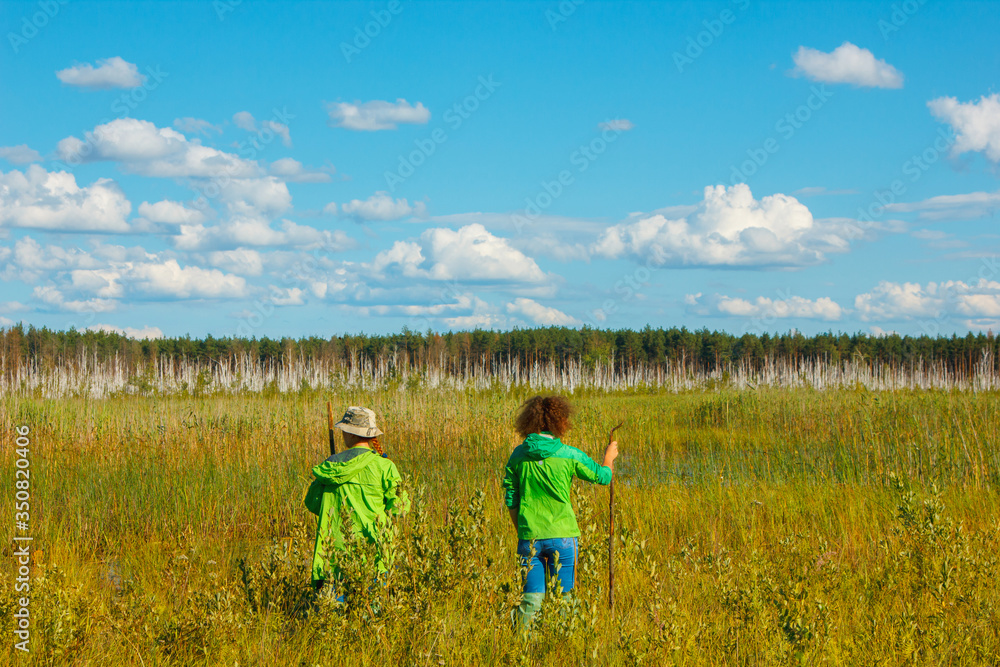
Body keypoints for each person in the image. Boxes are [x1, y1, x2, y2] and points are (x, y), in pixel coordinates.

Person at [502, 395, 619, 627]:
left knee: (531, 601)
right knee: (564, 600)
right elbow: (603, 477)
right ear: (560, 421)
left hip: (530, 539)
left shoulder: (518, 456)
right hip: (564, 538)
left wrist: (523, 531)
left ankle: (524, 648)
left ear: (530, 422)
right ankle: (563, 645)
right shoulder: (568, 454)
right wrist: (609, 458)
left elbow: (511, 499)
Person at [304, 406, 408, 596]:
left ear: (350, 434)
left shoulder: (330, 466)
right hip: (375, 555)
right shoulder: (385, 466)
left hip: (333, 556)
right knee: (373, 617)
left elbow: (312, 503)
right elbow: (401, 507)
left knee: (334, 619)